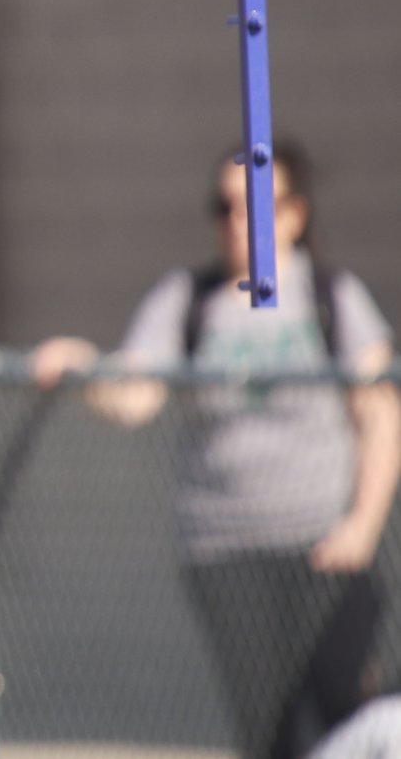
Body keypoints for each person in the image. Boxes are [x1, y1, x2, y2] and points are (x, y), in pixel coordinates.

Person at [32, 140, 400, 759]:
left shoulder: (332, 295)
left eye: (257, 205)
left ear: (294, 214)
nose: (239, 221)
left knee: (348, 712)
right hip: (224, 549)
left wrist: (361, 527)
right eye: (224, 206)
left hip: (321, 544)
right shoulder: (189, 299)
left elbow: (380, 417)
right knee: (267, 728)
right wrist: (82, 368)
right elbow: (135, 396)